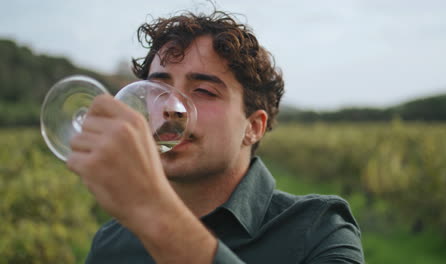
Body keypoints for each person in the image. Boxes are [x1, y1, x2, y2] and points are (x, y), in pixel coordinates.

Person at [67, 10, 364, 264]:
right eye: (158, 91)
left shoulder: (320, 230)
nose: (172, 108)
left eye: (204, 91)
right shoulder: (110, 244)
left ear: (253, 127)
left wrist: (157, 216)